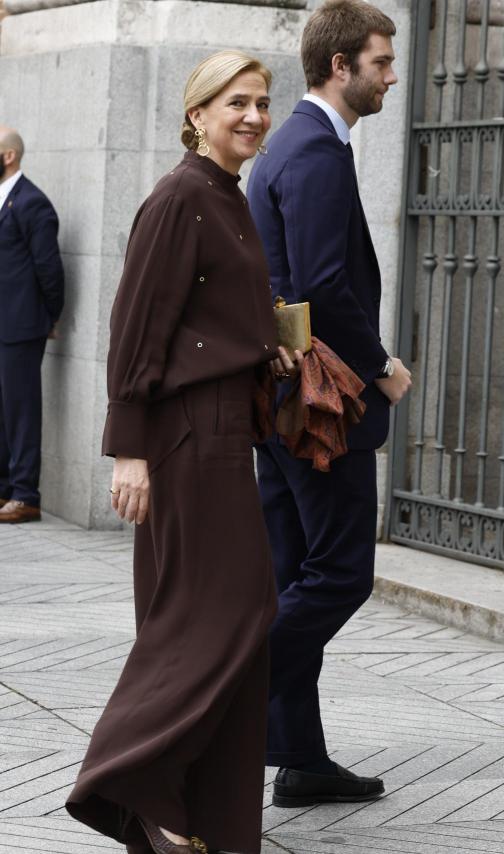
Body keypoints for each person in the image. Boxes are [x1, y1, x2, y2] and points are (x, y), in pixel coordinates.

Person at [66, 50, 298, 854]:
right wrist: (128, 452)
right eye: (237, 102)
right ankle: (131, 782)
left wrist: (262, 346)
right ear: (197, 113)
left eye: (264, 103)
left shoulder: (226, 198)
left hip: (228, 428)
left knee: (224, 618)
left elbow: (207, 321)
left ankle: (206, 824)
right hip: (185, 436)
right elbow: (135, 331)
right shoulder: (179, 199)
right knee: (216, 616)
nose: (255, 117)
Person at [247, 0, 412, 808]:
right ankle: (217, 706)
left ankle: (302, 759)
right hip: (319, 408)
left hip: (285, 402)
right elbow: (316, 285)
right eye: (381, 61)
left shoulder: (292, 147)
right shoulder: (315, 150)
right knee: (340, 574)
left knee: (296, 575)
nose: (391, 75)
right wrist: (380, 364)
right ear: (339, 66)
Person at [0, 126, 64, 523]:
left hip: (22, 326)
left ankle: (26, 494)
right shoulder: (5, 200)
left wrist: (50, 316)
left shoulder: (33, 203)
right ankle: (5, 487)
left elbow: (49, 270)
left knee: (21, 411)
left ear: (8, 155)